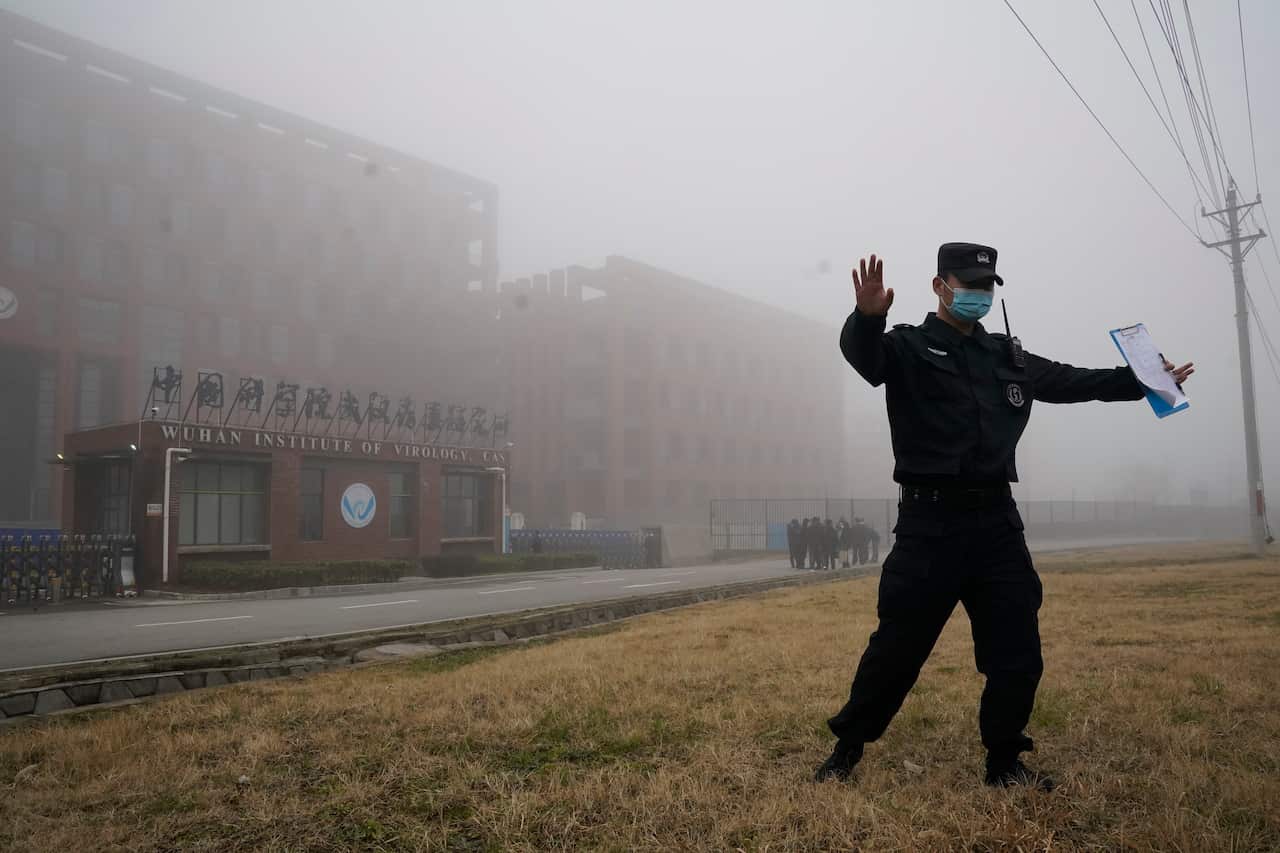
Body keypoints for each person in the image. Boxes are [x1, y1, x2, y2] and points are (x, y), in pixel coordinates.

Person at [815, 245, 1194, 790]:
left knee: (1017, 650)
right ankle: (848, 748)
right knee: (897, 649)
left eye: (988, 284)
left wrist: (1147, 381)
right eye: (968, 283)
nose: (980, 294)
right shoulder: (907, 347)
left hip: (996, 525)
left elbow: (1074, 381)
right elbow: (866, 359)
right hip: (930, 528)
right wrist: (867, 318)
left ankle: (1005, 762)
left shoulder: (1007, 357)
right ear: (940, 287)